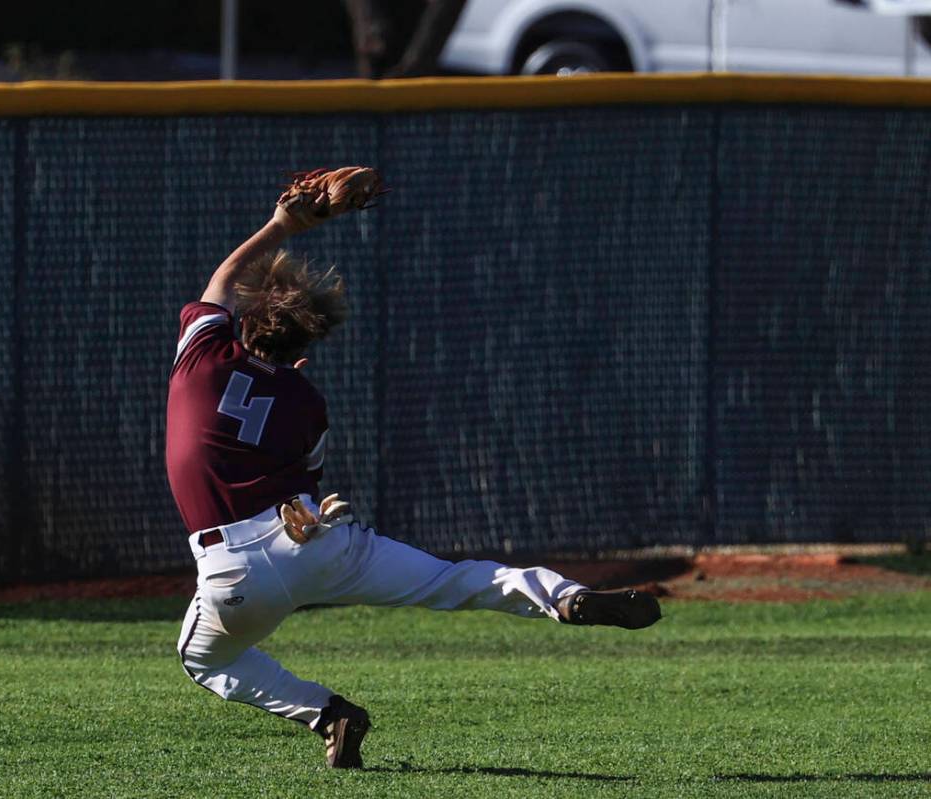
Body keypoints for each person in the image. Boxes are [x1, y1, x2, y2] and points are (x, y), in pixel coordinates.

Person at [165, 168, 662, 769]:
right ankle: (568, 598)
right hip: (320, 539)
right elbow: (302, 480)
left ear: (243, 327)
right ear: (303, 346)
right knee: (458, 581)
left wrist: (281, 224)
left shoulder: (203, 359)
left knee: (205, 661)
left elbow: (223, 280)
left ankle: (330, 714)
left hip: (235, 567)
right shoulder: (307, 400)